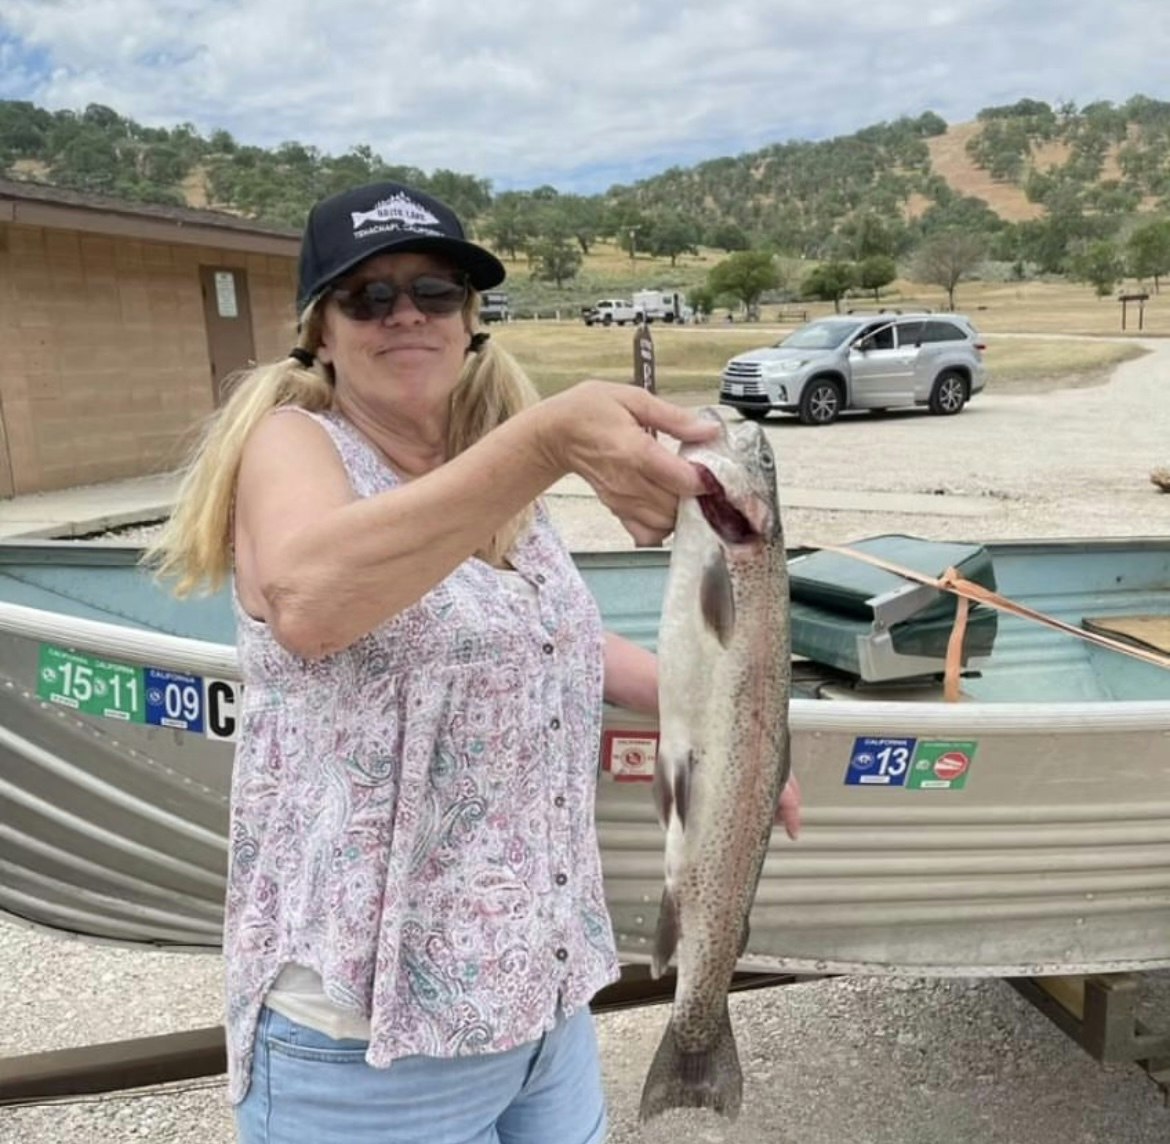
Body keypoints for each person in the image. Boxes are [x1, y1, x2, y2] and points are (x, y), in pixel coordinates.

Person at [148, 179, 799, 1144]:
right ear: (320, 331)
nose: (405, 312)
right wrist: (545, 442)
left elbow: (557, 641)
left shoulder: (488, 475)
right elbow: (309, 603)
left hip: (544, 1000)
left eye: (436, 291)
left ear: (469, 320)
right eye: (367, 296)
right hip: (371, 1039)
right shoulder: (296, 445)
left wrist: (740, 724)